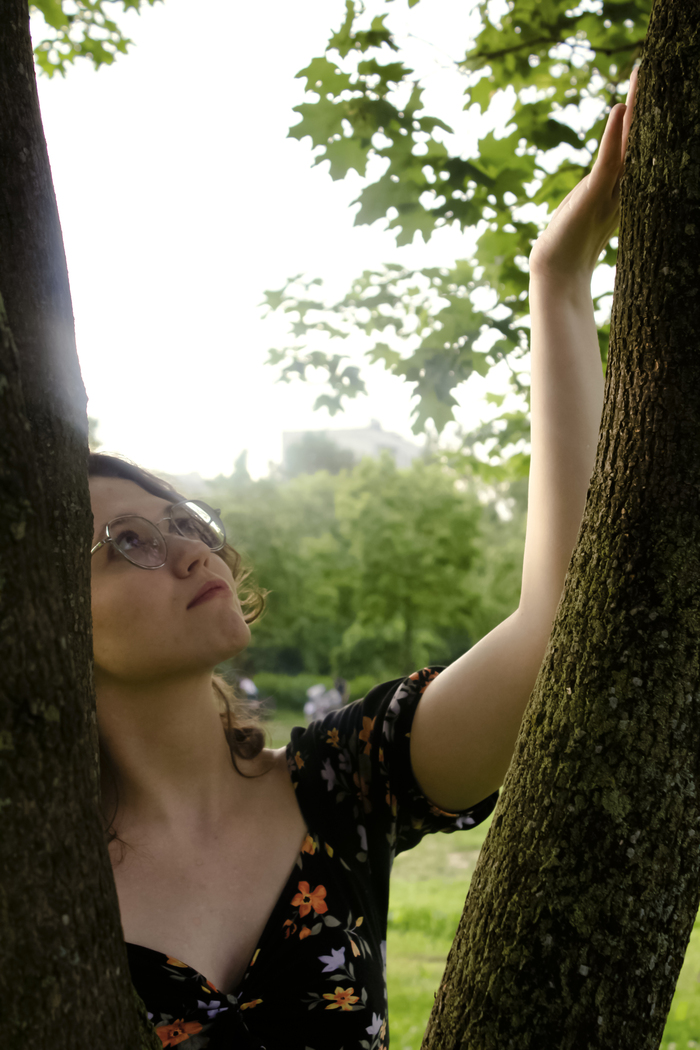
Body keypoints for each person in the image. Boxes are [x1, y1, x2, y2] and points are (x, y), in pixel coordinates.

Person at [88, 70, 637, 1050]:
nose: (185, 549)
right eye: (126, 540)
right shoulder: (37, 865)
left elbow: (557, 626)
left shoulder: (339, 781)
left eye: (183, 518)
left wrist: (557, 280)